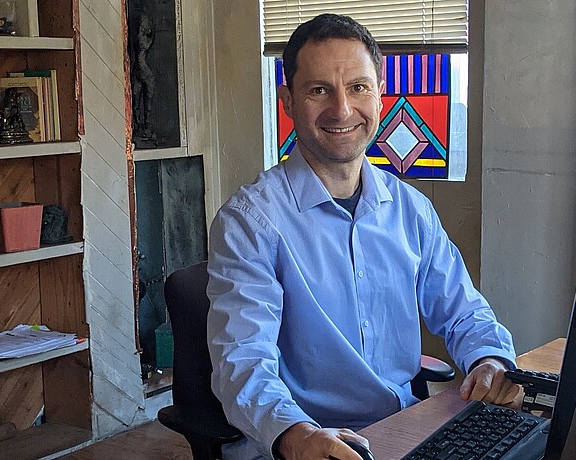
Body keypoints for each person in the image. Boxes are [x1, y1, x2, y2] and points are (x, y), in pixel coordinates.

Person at [207, 13, 519, 460]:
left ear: (378, 96)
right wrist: (295, 434)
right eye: (319, 90)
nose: (342, 109)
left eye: (358, 87)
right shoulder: (250, 223)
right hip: (306, 441)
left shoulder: (411, 209)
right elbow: (242, 362)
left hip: (402, 428)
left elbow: (464, 310)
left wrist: (490, 360)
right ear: (288, 101)